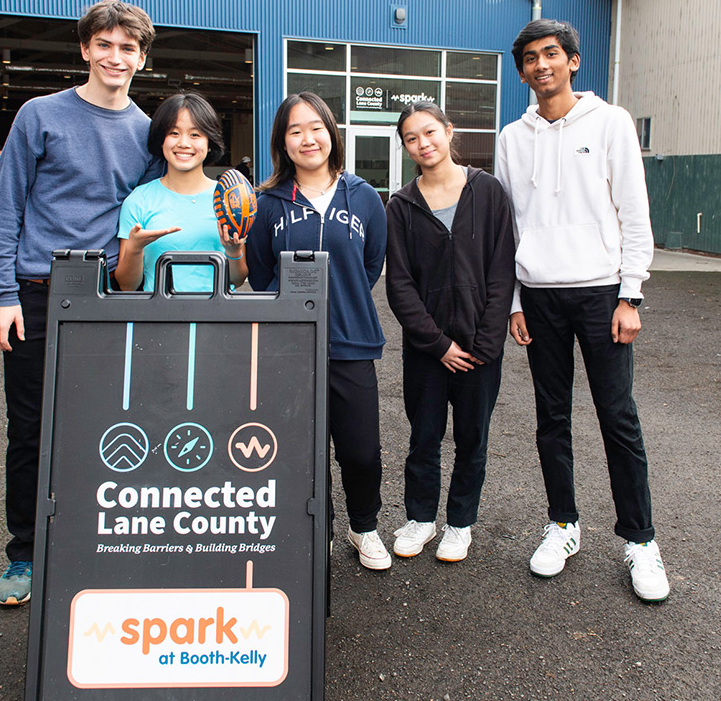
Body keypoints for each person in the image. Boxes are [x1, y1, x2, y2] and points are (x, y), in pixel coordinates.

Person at [0, 0, 160, 605]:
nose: (116, 57)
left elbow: (148, 211)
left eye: (128, 48)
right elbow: (6, 207)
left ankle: (90, 542)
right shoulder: (40, 115)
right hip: (36, 292)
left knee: (105, 428)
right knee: (30, 431)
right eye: (104, 45)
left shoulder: (145, 132)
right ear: (85, 50)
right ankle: (25, 555)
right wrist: (2, 294)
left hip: (108, 295)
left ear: (141, 58)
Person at [495, 19, 670, 601]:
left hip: (601, 294)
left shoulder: (611, 122)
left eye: (551, 54)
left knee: (617, 418)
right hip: (539, 297)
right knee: (552, 419)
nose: (540, 65)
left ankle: (640, 540)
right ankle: (563, 525)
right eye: (529, 58)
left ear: (573, 61)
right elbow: (508, 228)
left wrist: (630, 293)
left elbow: (633, 212)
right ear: (521, 70)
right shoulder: (511, 138)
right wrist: (517, 299)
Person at [246, 91, 391, 570]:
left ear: (331, 133)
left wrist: (338, 302)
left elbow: (369, 267)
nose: (308, 138)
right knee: (302, 451)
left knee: (361, 452)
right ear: (282, 143)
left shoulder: (364, 196)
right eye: (295, 130)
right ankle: (317, 529)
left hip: (351, 343)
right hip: (290, 349)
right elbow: (261, 273)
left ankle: (363, 527)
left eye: (316, 127)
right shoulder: (268, 203)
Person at [386, 101, 515, 563]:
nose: (423, 144)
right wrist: (438, 344)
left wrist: (484, 343)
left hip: (481, 349)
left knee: (472, 439)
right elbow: (399, 285)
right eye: (411, 139)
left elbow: (502, 273)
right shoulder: (401, 205)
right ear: (405, 148)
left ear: (448, 131)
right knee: (423, 437)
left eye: (429, 132)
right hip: (427, 350)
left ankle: (460, 524)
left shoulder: (488, 192)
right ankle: (420, 519)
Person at [116, 91, 247, 292]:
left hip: (217, 318)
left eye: (195, 134)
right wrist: (134, 249)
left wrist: (234, 250)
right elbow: (127, 286)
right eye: (173, 133)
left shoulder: (229, 200)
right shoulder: (139, 200)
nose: (183, 143)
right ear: (161, 140)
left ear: (209, 142)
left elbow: (237, 280)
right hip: (159, 318)